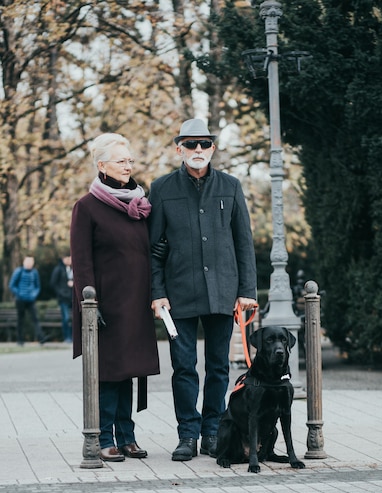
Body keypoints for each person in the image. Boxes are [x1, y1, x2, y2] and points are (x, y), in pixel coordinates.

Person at [149, 118, 257, 462]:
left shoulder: (231, 185)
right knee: (183, 367)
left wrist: (247, 290)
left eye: (204, 144)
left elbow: (244, 243)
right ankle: (187, 435)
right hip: (177, 294)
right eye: (191, 144)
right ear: (178, 147)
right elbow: (151, 249)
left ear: (213, 148)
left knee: (218, 367)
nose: (198, 150)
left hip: (222, 292)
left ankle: (211, 433)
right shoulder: (162, 188)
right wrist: (156, 291)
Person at [70, 132, 160, 462]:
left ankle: (127, 435)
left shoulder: (139, 205)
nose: (128, 166)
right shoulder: (87, 207)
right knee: (108, 374)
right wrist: (89, 305)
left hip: (135, 303)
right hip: (105, 304)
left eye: (130, 160)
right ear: (102, 165)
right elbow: (81, 261)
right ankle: (104, 436)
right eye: (121, 161)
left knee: (129, 371)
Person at [9, 255, 48, 346]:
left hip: (31, 299)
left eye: (31, 262)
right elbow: (12, 285)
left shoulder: (34, 272)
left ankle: (41, 338)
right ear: (24, 262)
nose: (29, 264)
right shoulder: (18, 271)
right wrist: (19, 294)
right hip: (20, 300)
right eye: (28, 261)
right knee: (20, 320)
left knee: (35, 319)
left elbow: (37, 286)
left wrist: (34, 294)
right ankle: (20, 340)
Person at [50, 254, 73, 343]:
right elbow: (53, 283)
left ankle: (73, 337)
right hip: (63, 298)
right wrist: (61, 293)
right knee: (66, 318)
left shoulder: (72, 269)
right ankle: (67, 337)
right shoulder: (58, 269)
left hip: (72, 298)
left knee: (73, 318)